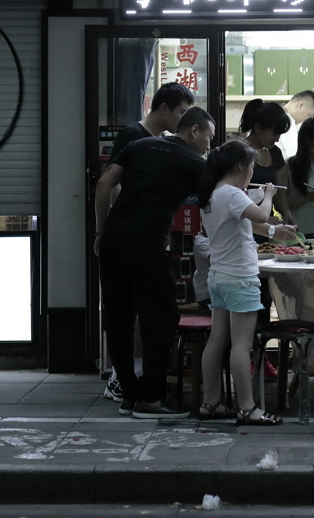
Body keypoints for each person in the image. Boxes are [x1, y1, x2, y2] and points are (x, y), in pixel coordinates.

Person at [94, 106, 215, 419]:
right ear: (194, 131)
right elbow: (219, 199)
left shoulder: (139, 145)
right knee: (161, 318)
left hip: (112, 240)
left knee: (118, 319)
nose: (208, 145)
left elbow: (105, 184)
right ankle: (150, 398)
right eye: (208, 138)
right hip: (146, 244)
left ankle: (129, 396)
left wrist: (100, 231)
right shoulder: (192, 161)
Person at [102, 81, 194, 404]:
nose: (184, 119)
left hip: (127, 236)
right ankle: (131, 387)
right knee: (141, 316)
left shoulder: (160, 142)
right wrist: (112, 223)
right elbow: (110, 185)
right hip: (135, 238)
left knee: (127, 316)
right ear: (164, 108)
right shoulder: (134, 137)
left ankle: (131, 389)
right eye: (182, 112)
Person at [198, 140, 297, 425]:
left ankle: (210, 403)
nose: (253, 171)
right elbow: (262, 214)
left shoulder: (214, 195)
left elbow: (250, 224)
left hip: (219, 277)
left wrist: (277, 231)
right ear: (241, 167)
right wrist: (267, 194)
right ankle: (247, 408)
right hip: (240, 277)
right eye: (253, 166)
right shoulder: (232, 193)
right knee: (241, 345)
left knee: (217, 341)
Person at [238, 98, 293, 381]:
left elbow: (280, 191)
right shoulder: (239, 153)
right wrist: (268, 222)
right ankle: (247, 357)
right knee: (253, 298)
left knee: (267, 296)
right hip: (248, 231)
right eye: (273, 133)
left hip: (267, 228)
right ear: (258, 127)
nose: (275, 140)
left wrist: (286, 216)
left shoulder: (273, 153)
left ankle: (258, 357)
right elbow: (236, 201)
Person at [277, 89, 314, 160]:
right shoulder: (288, 124)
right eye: (308, 115)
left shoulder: (274, 115)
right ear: (301, 105)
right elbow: (293, 158)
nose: (306, 120)